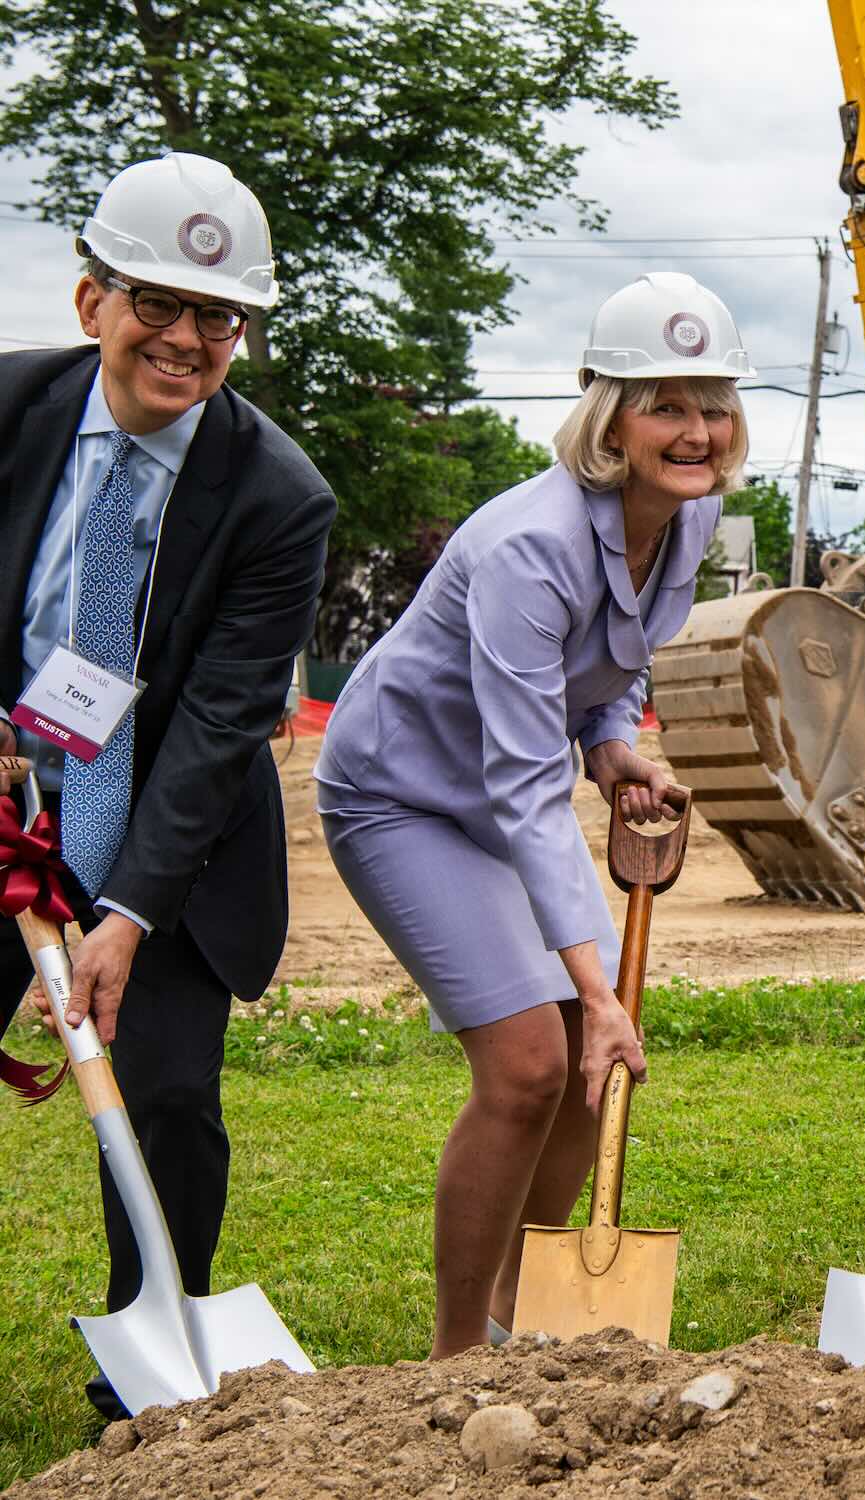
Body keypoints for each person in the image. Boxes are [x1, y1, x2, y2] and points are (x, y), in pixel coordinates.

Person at [314, 272, 753, 1358]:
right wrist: (599, 989)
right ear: (610, 417)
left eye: (714, 405)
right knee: (528, 1062)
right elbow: (521, 783)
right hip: (403, 797)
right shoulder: (529, 544)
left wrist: (612, 746)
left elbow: (602, 669)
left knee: (583, 1072)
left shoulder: (688, 525)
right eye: (666, 405)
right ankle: (455, 1354)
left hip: (497, 797)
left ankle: (523, 1323)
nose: (696, 432)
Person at [0, 152, 336, 1418]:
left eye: (218, 316)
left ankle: (149, 1370)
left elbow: (218, 724)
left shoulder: (279, 495)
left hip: (173, 833)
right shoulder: (9, 409)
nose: (185, 339)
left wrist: (128, 911)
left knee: (172, 1099)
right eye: (157, 302)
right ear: (94, 302)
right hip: (7, 792)